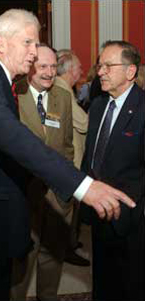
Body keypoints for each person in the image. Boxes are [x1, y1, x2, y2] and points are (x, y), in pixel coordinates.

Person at [0, 8, 135, 300]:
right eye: (29, 43)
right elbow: (16, 139)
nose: (35, 53)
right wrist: (84, 186)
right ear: (2, 43)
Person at [11, 43, 78, 301]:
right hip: (24, 194)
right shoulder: (14, 94)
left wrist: (66, 186)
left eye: (53, 66)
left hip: (57, 195)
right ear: (30, 68)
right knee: (22, 259)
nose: (50, 73)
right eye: (43, 66)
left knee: (53, 257)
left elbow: (68, 144)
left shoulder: (62, 97)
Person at [81, 40, 145, 301]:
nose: (100, 72)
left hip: (133, 220)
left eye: (108, 65)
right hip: (99, 214)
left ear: (130, 72)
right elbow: (91, 158)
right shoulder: (97, 106)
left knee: (131, 285)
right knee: (104, 282)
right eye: (99, 65)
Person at [55, 49, 90, 265]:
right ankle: (67, 248)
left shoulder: (65, 88)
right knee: (69, 211)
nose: (82, 71)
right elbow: (84, 123)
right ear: (69, 70)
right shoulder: (63, 90)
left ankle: (71, 242)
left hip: (71, 158)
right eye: (78, 67)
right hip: (71, 159)